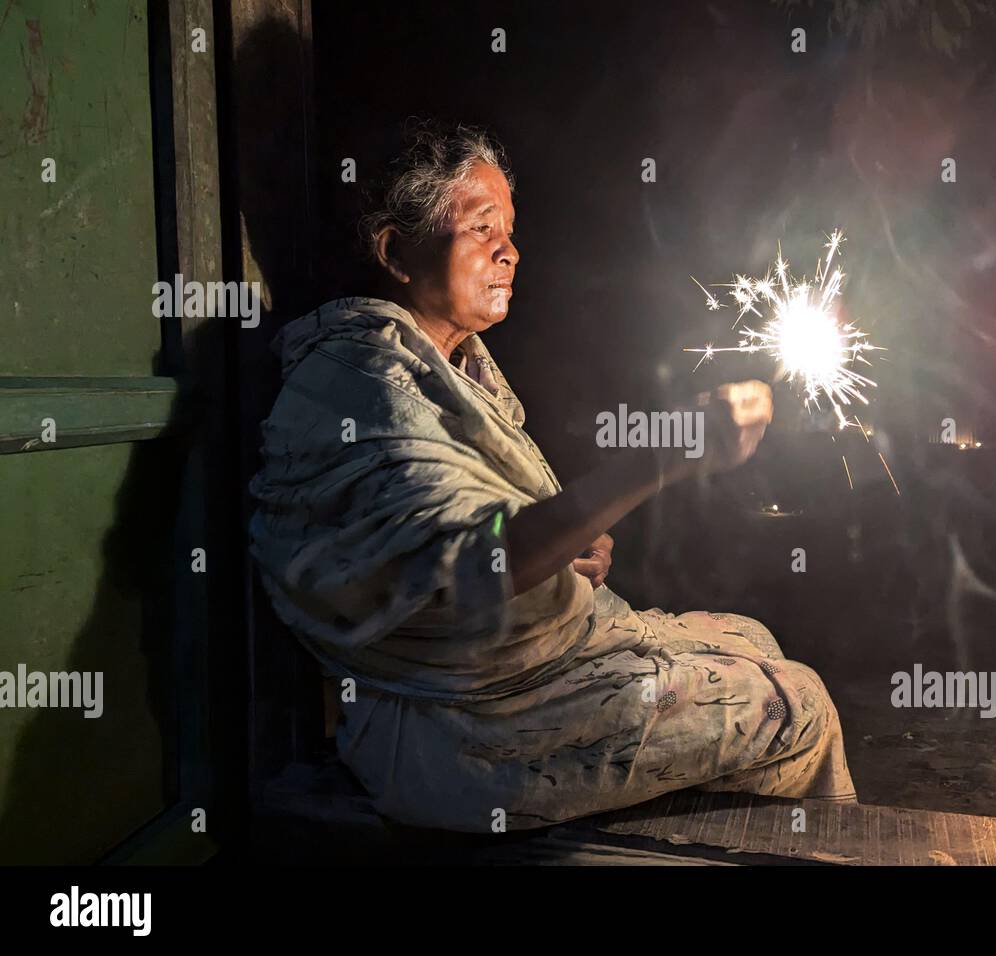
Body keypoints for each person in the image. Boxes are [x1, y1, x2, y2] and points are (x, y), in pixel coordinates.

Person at [248, 120, 857, 831]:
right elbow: (467, 564)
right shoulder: (364, 381)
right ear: (395, 250)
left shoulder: (456, 369)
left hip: (517, 682)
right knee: (802, 705)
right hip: (467, 728)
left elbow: (508, 526)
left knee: (749, 637)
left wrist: (577, 543)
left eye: (509, 228)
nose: (510, 251)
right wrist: (657, 457)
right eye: (482, 228)